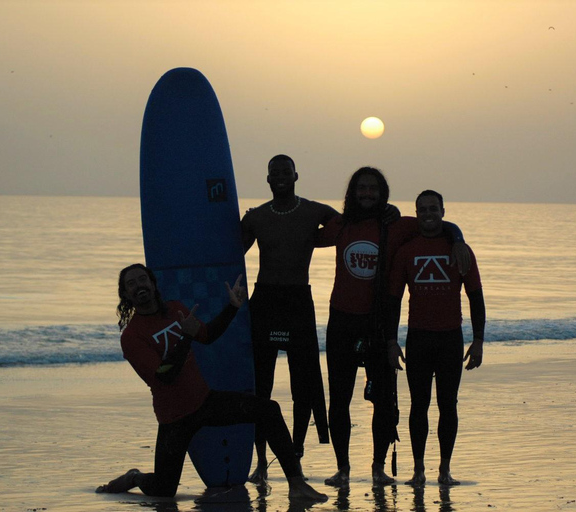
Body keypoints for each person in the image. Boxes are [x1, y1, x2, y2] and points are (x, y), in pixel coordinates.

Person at [95, 263, 327, 502]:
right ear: (125, 295)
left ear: (153, 284)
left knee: (268, 410)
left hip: (204, 401)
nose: (138, 286)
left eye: (142, 279)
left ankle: (296, 484)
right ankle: (134, 477)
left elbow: (207, 335)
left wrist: (232, 307)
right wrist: (185, 337)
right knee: (164, 489)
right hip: (175, 418)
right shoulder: (132, 337)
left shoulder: (175, 310)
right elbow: (165, 375)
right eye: (130, 284)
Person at [316, 168, 468, 487]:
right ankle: (342, 468)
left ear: (382, 192)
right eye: (362, 188)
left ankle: (377, 466)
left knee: (384, 401)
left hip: (377, 323)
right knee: (339, 399)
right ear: (352, 192)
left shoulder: (396, 226)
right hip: (342, 320)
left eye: (373, 188)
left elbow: (440, 223)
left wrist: (458, 239)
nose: (367, 193)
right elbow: (307, 235)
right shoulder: (340, 225)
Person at [241, 154, 336, 483]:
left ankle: (295, 451)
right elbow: (229, 250)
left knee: (304, 382)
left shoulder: (315, 211)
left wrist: (316, 240)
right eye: (274, 172)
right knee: (260, 386)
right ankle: (261, 460)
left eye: (285, 171)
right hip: (265, 301)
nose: (280, 176)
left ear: (296, 175)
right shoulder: (256, 218)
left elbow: (349, 227)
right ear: (267, 179)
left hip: (297, 301)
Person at [385, 190, 485, 487]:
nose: (428, 214)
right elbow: (393, 301)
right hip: (418, 339)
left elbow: (476, 297)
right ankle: (418, 470)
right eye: (422, 209)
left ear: (443, 211)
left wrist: (478, 340)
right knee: (419, 405)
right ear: (416, 213)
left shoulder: (459, 250)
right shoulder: (407, 250)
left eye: (433, 209)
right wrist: (392, 342)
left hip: (450, 339)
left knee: (448, 405)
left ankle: (444, 469)